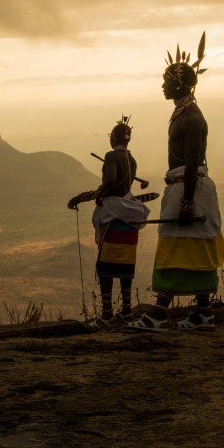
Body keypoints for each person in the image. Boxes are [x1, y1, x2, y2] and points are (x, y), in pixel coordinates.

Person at [128, 34, 224, 332]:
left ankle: (158, 315)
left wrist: (186, 201)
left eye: (166, 82)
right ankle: (203, 313)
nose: (162, 86)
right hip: (186, 186)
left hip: (189, 188)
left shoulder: (193, 119)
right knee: (191, 247)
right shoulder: (184, 115)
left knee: (175, 247)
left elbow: (194, 159)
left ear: (181, 85)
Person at [68, 117, 150, 329]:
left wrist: (94, 194)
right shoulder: (132, 159)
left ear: (113, 138)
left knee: (105, 267)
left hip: (113, 214)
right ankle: (126, 310)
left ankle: (106, 314)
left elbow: (111, 181)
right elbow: (122, 184)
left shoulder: (111, 156)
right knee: (125, 266)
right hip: (129, 215)